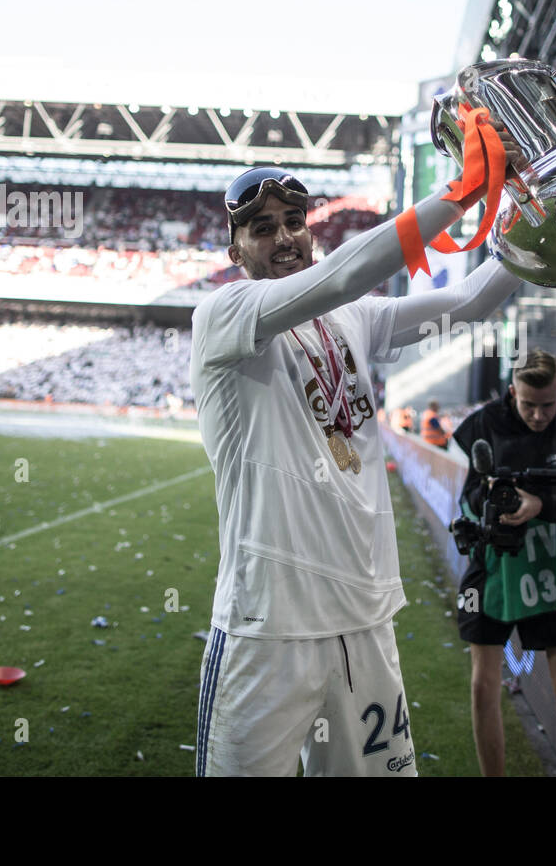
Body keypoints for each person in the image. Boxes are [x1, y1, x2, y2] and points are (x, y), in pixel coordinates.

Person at [190, 135, 525, 776]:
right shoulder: (224, 314)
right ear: (236, 252)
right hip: (269, 626)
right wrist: (462, 191)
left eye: (295, 222)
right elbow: (344, 274)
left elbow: (470, 303)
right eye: (263, 230)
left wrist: (537, 233)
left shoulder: (355, 318)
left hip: (364, 617)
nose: (285, 237)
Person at [452, 349, 556, 776]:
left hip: (549, 563)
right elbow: (471, 493)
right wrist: (493, 499)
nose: (538, 416)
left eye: (548, 405)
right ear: (512, 391)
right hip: (492, 561)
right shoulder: (484, 422)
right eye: (528, 404)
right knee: (483, 686)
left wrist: (538, 504)